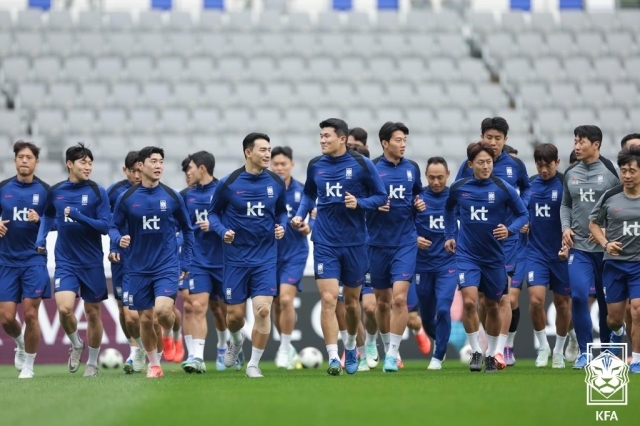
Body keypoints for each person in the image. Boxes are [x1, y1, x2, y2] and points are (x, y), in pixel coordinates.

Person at [292, 118, 387, 376]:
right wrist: (301, 213)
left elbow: (381, 197)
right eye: (321, 136)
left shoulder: (361, 164)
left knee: (353, 303)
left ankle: (351, 346)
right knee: (329, 298)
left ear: (342, 139)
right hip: (324, 240)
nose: (322, 140)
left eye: (327, 136)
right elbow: (310, 194)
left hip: (355, 242)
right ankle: (334, 357)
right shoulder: (315, 165)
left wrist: (360, 203)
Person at [207, 133, 288, 378]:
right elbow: (213, 214)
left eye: (269, 150)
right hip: (236, 259)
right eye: (262, 150)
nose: (267, 154)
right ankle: (236, 339)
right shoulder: (229, 183)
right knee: (234, 317)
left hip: (265, 257)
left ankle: (253, 364)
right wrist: (222, 232)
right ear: (248, 152)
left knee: (263, 310)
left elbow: (282, 212)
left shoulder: (276, 181)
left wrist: (281, 225)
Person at [109, 146, 194, 379]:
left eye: (161, 161)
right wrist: (117, 241)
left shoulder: (172, 196)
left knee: (163, 311)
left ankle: (170, 333)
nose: (158, 166)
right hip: (137, 267)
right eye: (153, 161)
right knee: (145, 319)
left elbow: (188, 229)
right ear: (141, 166)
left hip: (166, 265)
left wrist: (185, 262)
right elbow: (113, 226)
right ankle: (154, 364)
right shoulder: (126, 198)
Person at [445, 141, 528, 373]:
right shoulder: (459, 187)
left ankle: (492, 353)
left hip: (494, 257)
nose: (485, 166)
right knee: (470, 301)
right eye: (480, 162)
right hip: (466, 255)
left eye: (489, 162)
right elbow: (448, 209)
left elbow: (523, 214)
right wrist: (450, 235)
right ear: (470, 164)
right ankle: (476, 352)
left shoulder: (503, 187)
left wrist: (510, 229)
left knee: (493, 306)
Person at [36, 142, 110, 378]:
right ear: (70, 164)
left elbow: (105, 227)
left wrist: (78, 216)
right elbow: (47, 215)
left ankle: (93, 363)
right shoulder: (56, 191)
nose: (88, 167)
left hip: (92, 262)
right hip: (66, 261)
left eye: (90, 163)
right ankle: (76, 343)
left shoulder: (98, 191)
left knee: (93, 314)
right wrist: (40, 238)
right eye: (83, 162)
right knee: (65, 308)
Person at [368, 122, 425, 373]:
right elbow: (358, 204)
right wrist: (373, 205)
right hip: (376, 243)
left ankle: (392, 354)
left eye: (405, 140)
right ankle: (386, 345)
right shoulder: (370, 170)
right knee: (381, 302)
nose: (403, 144)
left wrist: (418, 204)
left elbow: (417, 197)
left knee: (399, 299)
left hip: (405, 241)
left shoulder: (412, 169)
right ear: (384, 143)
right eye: (398, 140)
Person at [561, 125, 620, 369]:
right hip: (580, 248)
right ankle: (585, 351)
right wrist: (565, 227)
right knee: (578, 295)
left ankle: (606, 349)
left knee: (607, 302)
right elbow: (565, 205)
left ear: (596, 144)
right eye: (575, 141)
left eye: (581, 142)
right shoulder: (570, 172)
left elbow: (621, 207)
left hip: (606, 251)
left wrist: (606, 230)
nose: (576, 146)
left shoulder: (610, 173)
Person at [0, 141, 51, 379]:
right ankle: (20, 343)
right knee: (6, 318)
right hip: (6, 260)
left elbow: (58, 222)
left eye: (29, 157)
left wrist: (40, 220)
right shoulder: (3, 188)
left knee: (31, 314)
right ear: (14, 161)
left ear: (36, 162)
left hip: (34, 259)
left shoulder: (46, 192)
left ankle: (29, 365)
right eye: (20, 156)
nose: (24, 160)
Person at [180, 150, 234, 374]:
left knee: (227, 311)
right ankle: (197, 357)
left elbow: (236, 221)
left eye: (190, 168)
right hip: (198, 261)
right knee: (196, 306)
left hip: (224, 260)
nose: (187, 173)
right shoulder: (185, 196)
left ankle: (226, 346)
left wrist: (215, 227)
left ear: (202, 168)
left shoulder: (224, 192)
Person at [589, 144, 640, 372]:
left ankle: (637, 359)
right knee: (614, 319)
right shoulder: (610, 196)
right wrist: (606, 243)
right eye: (623, 170)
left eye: (632, 170)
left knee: (637, 309)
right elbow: (594, 224)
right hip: (614, 265)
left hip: (638, 265)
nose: (627, 175)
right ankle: (617, 333)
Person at [526, 143, 571, 368]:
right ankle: (543, 346)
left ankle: (559, 351)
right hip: (536, 252)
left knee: (563, 304)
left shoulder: (565, 184)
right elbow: (520, 211)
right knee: (535, 301)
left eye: (548, 165)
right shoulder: (530, 185)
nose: (544, 170)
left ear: (557, 162)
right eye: (540, 165)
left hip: (562, 253)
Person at [270, 146, 314, 369]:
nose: (279, 168)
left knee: (286, 299)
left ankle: (284, 348)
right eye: (275, 164)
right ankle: (286, 346)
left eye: (283, 164)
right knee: (276, 303)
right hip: (270, 254)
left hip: (295, 253)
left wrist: (308, 227)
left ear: (292, 165)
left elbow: (315, 216)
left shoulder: (302, 191)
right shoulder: (265, 190)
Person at [106, 151, 147, 374]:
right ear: (126, 171)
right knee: (124, 311)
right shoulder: (113, 193)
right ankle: (135, 349)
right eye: (134, 171)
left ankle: (149, 349)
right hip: (122, 258)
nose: (138, 175)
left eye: (141, 170)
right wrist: (114, 247)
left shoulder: (154, 191)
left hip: (147, 259)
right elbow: (108, 223)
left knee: (142, 311)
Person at [415, 156, 458, 370]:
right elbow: (402, 225)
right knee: (427, 318)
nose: (436, 182)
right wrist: (414, 238)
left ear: (448, 174)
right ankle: (438, 338)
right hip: (422, 266)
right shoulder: (418, 198)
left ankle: (438, 355)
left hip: (448, 265)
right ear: (425, 176)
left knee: (443, 308)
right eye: (431, 177)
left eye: (440, 177)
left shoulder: (457, 198)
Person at [501, 145, 528, 366]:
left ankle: (507, 346)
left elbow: (527, 201)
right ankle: (491, 345)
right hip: (493, 242)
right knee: (489, 299)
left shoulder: (520, 181)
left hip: (518, 246)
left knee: (510, 298)